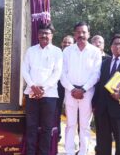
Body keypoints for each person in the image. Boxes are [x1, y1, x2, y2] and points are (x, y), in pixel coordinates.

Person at [60, 21, 102, 155]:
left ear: (88, 34)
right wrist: (72, 89)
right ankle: (69, 152)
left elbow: (96, 74)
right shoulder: (67, 51)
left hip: (87, 93)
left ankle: (83, 152)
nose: (81, 35)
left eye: (84, 32)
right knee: (70, 124)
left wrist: (83, 89)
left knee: (84, 125)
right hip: (70, 92)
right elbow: (62, 73)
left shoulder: (95, 52)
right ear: (74, 34)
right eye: (78, 32)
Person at [22, 23, 63, 155]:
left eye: (47, 33)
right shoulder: (31, 51)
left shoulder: (57, 52)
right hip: (31, 93)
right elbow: (25, 70)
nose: (44, 36)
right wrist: (33, 86)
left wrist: (43, 88)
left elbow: (57, 73)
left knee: (46, 128)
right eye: (41, 33)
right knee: (31, 126)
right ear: (38, 35)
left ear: (52, 35)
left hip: (49, 95)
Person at [56, 35, 75, 141]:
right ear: (61, 43)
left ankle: (73, 140)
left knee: (72, 114)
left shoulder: (76, 55)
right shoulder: (57, 54)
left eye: (69, 43)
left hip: (71, 87)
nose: (67, 44)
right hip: (58, 87)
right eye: (65, 42)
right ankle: (57, 135)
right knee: (57, 111)